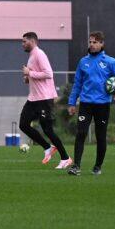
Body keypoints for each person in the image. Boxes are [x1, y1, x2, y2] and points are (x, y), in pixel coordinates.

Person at [67, 31, 115, 176]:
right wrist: (71, 103)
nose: (92, 44)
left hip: (102, 105)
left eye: (95, 42)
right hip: (85, 104)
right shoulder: (83, 62)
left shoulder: (110, 62)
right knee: (80, 133)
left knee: (100, 136)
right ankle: (76, 166)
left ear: (102, 44)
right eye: (90, 42)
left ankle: (97, 166)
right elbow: (77, 84)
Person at [19, 32, 71, 169]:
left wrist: (29, 73)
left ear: (32, 41)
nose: (22, 44)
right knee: (23, 124)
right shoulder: (31, 56)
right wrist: (27, 78)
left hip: (44, 98)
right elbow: (36, 75)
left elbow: (48, 74)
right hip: (33, 98)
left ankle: (66, 158)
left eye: (24, 41)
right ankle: (47, 147)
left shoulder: (39, 54)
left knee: (48, 130)